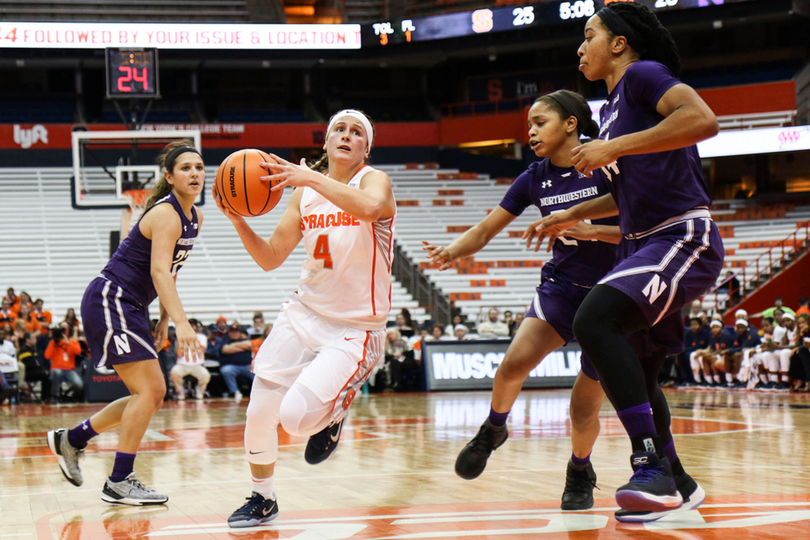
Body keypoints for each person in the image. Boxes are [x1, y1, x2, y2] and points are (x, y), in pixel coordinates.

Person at [425, 89, 694, 514]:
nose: (530, 131)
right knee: (513, 364)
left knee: (582, 406)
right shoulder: (533, 177)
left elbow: (643, 227)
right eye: (529, 125)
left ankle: (579, 470)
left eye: (540, 122)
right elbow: (486, 228)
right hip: (563, 288)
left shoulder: (607, 164)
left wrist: (591, 230)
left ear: (571, 123)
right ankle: (493, 429)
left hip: (612, 296)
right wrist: (451, 252)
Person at [527, 3, 723, 520]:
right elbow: (624, 191)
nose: (580, 46)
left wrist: (614, 147)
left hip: (680, 234)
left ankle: (649, 464)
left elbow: (703, 119)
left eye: (588, 35)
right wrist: (570, 212)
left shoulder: (641, 75)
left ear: (618, 43)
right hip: (642, 242)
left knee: (594, 318)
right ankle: (678, 482)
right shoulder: (613, 105)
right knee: (639, 369)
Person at [215, 109, 396, 528]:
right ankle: (263, 499)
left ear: (366, 147)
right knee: (260, 411)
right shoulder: (304, 195)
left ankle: (334, 414)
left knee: (296, 421)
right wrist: (239, 221)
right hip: (303, 312)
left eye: (356, 133)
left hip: (356, 326)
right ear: (327, 140)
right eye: (339, 129)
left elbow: (370, 208)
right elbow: (271, 257)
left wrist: (310, 177)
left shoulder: (373, 181)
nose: (346, 136)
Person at [45, 140, 205, 506]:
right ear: (169, 176)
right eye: (185, 168)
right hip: (111, 298)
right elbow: (158, 271)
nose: (195, 173)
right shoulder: (166, 213)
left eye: (199, 167)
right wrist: (182, 323)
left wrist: (164, 319)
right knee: (151, 391)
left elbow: (172, 272)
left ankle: (73, 439)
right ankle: (119, 480)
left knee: (147, 393)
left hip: (131, 304)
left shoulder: (194, 216)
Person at [169, 318, 210, 400]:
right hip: (182, 365)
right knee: (174, 372)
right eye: (189, 325)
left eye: (193, 325)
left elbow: (201, 349)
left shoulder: (202, 337)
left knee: (205, 375)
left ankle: (199, 391)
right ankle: (180, 391)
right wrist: (179, 337)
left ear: (196, 327)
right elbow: (179, 353)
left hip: (197, 365)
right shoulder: (180, 338)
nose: (191, 326)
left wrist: (192, 338)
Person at [213, 322, 254, 400]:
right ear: (229, 332)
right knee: (227, 371)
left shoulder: (245, 339)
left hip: (247, 365)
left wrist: (233, 345)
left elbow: (249, 345)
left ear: (239, 332)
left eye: (236, 331)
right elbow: (226, 350)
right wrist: (242, 348)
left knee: (256, 372)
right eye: (232, 331)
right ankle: (235, 391)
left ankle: (256, 392)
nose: (234, 333)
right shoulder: (225, 340)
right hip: (231, 365)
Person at [45, 322, 83, 403]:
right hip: (56, 369)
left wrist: (68, 343)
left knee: (79, 384)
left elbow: (78, 352)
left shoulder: (73, 342)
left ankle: (68, 397)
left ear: (69, 331)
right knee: (56, 372)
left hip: (69, 370)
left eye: (65, 329)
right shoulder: (54, 342)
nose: (64, 331)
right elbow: (47, 356)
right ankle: (55, 397)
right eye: (62, 329)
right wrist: (52, 341)